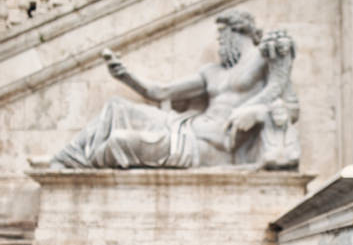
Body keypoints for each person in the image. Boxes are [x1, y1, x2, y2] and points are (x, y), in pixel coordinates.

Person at [50, 10, 299, 170]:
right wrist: (125, 76)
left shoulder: (263, 58)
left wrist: (256, 112)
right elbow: (161, 92)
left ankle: (79, 166)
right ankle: (66, 159)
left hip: (209, 144)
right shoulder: (212, 72)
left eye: (222, 37)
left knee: (121, 141)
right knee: (117, 106)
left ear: (237, 32)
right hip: (187, 125)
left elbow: (289, 106)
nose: (220, 44)